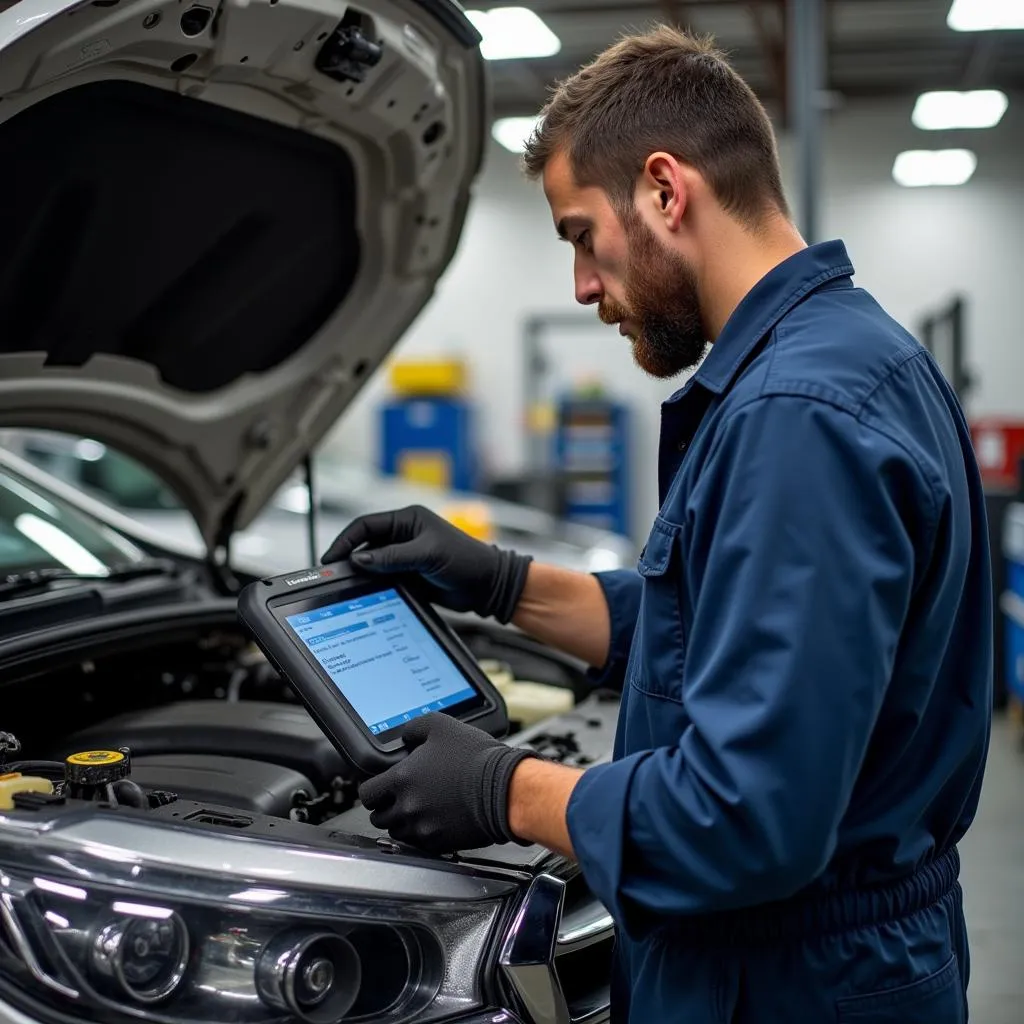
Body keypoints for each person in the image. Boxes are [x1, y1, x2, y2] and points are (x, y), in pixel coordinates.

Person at [321, 26, 992, 1024]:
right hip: (830, 957)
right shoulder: (844, 357)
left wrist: (505, 789)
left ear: (665, 192)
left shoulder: (795, 416)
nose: (584, 286)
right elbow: (707, 620)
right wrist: (500, 581)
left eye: (580, 236)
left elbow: (747, 818)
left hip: (787, 979)